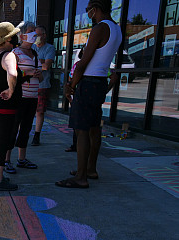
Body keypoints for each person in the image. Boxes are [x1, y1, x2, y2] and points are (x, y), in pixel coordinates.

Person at [56, 0, 122, 188]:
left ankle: (81, 177)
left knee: (81, 129)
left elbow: (83, 63)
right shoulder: (116, 29)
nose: (87, 13)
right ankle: (90, 169)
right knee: (94, 128)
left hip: (88, 82)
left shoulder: (100, 28)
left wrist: (70, 84)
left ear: (96, 8)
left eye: (88, 10)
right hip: (99, 82)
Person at [0, 21, 23, 191]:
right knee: (3, 143)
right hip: (5, 107)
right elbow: (12, 73)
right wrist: (10, 90)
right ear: (9, 39)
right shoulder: (8, 55)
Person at [5, 21, 43, 174]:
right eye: (31, 30)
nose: (35, 33)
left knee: (26, 128)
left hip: (33, 96)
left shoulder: (34, 53)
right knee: (13, 128)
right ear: (22, 35)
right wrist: (28, 74)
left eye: (35, 30)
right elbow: (11, 75)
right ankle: (6, 160)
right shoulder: (15, 53)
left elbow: (39, 77)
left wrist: (39, 75)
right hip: (19, 96)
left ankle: (21, 158)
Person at [31, 25, 56, 146]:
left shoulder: (49, 48)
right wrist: (40, 61)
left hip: (42, 84)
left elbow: (46, 66)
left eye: (38, 35)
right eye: (34, 35)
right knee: (26, 110)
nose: (36, 38)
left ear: (44, 35)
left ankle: (37, 135)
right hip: (29, 83)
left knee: (39, 111)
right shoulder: (31, 47)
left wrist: (35, 61)